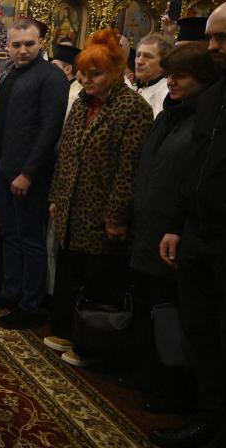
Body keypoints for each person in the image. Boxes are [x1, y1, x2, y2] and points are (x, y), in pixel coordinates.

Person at [150, 0, 226, 448]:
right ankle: (206, 417)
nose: (213, 46)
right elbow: (197, 167)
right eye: (211, 36)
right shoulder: (217, 95)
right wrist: (177, 224)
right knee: (201, 333)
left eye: (223, 37)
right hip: (198, 235)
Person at [44, 29, 153, 366]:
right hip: (71, 205)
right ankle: (64, 329)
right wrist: (55, 197)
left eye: (96, 74)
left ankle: (91, 344)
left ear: (116, 73)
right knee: (69, 273)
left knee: (99, 281)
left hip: (102, 210)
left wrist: (117, 216)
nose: (86, 80)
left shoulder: (133, 108)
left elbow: (129, 167)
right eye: (83, 73)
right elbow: (64, 154)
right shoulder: (81, 104)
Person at [130, 42, 217, 414]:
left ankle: (170, 388)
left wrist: (176, 225)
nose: (171, 82)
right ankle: (145, 375)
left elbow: (193, 181)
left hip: (174, 233)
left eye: (180, 76)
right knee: (146, 304)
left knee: (170, 312)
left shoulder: (205, 120)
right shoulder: (169, 115)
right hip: (148, 225)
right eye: (171, 74)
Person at [0, 19, 69, 329]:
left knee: (30, 239)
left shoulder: (51, 77)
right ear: (8, 46)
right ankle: (11, 293)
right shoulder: (10, 74)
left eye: (29, 44)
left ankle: (31, 304)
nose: (23, 50)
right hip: (3, 168)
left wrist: (28, 173)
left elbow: (49, 130)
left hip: (29, 174)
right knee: (11, 235)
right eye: (16, 45)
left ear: (40, 42)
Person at [134, 33, 173, 117]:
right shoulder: (134, 87)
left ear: (164, 63)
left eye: (148, 56)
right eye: (138, 55)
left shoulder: (166, 92)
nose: (139, 61)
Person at [51, 43, 82, 116]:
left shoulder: (76, 94)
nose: (50, 70)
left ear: (68, 69)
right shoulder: (60, 87)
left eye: (54, 66)